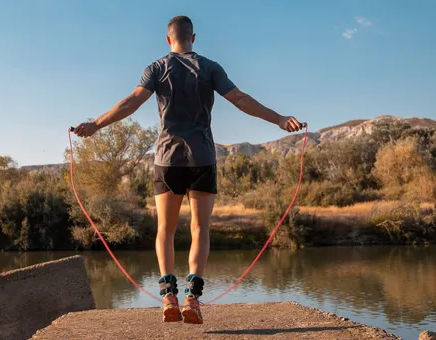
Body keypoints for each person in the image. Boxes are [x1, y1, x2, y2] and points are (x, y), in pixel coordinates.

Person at [74, 15, 303, 324]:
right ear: (193, 37)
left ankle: (168, 294)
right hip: (202, 158)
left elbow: (131, 103)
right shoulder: (210, 67)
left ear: (169, 40)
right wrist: (278, 119)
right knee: (200, 229)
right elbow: (239, 99)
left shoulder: (156, 68)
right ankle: (192, 299)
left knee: (165, 230)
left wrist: (96, 124)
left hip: (167, 159)